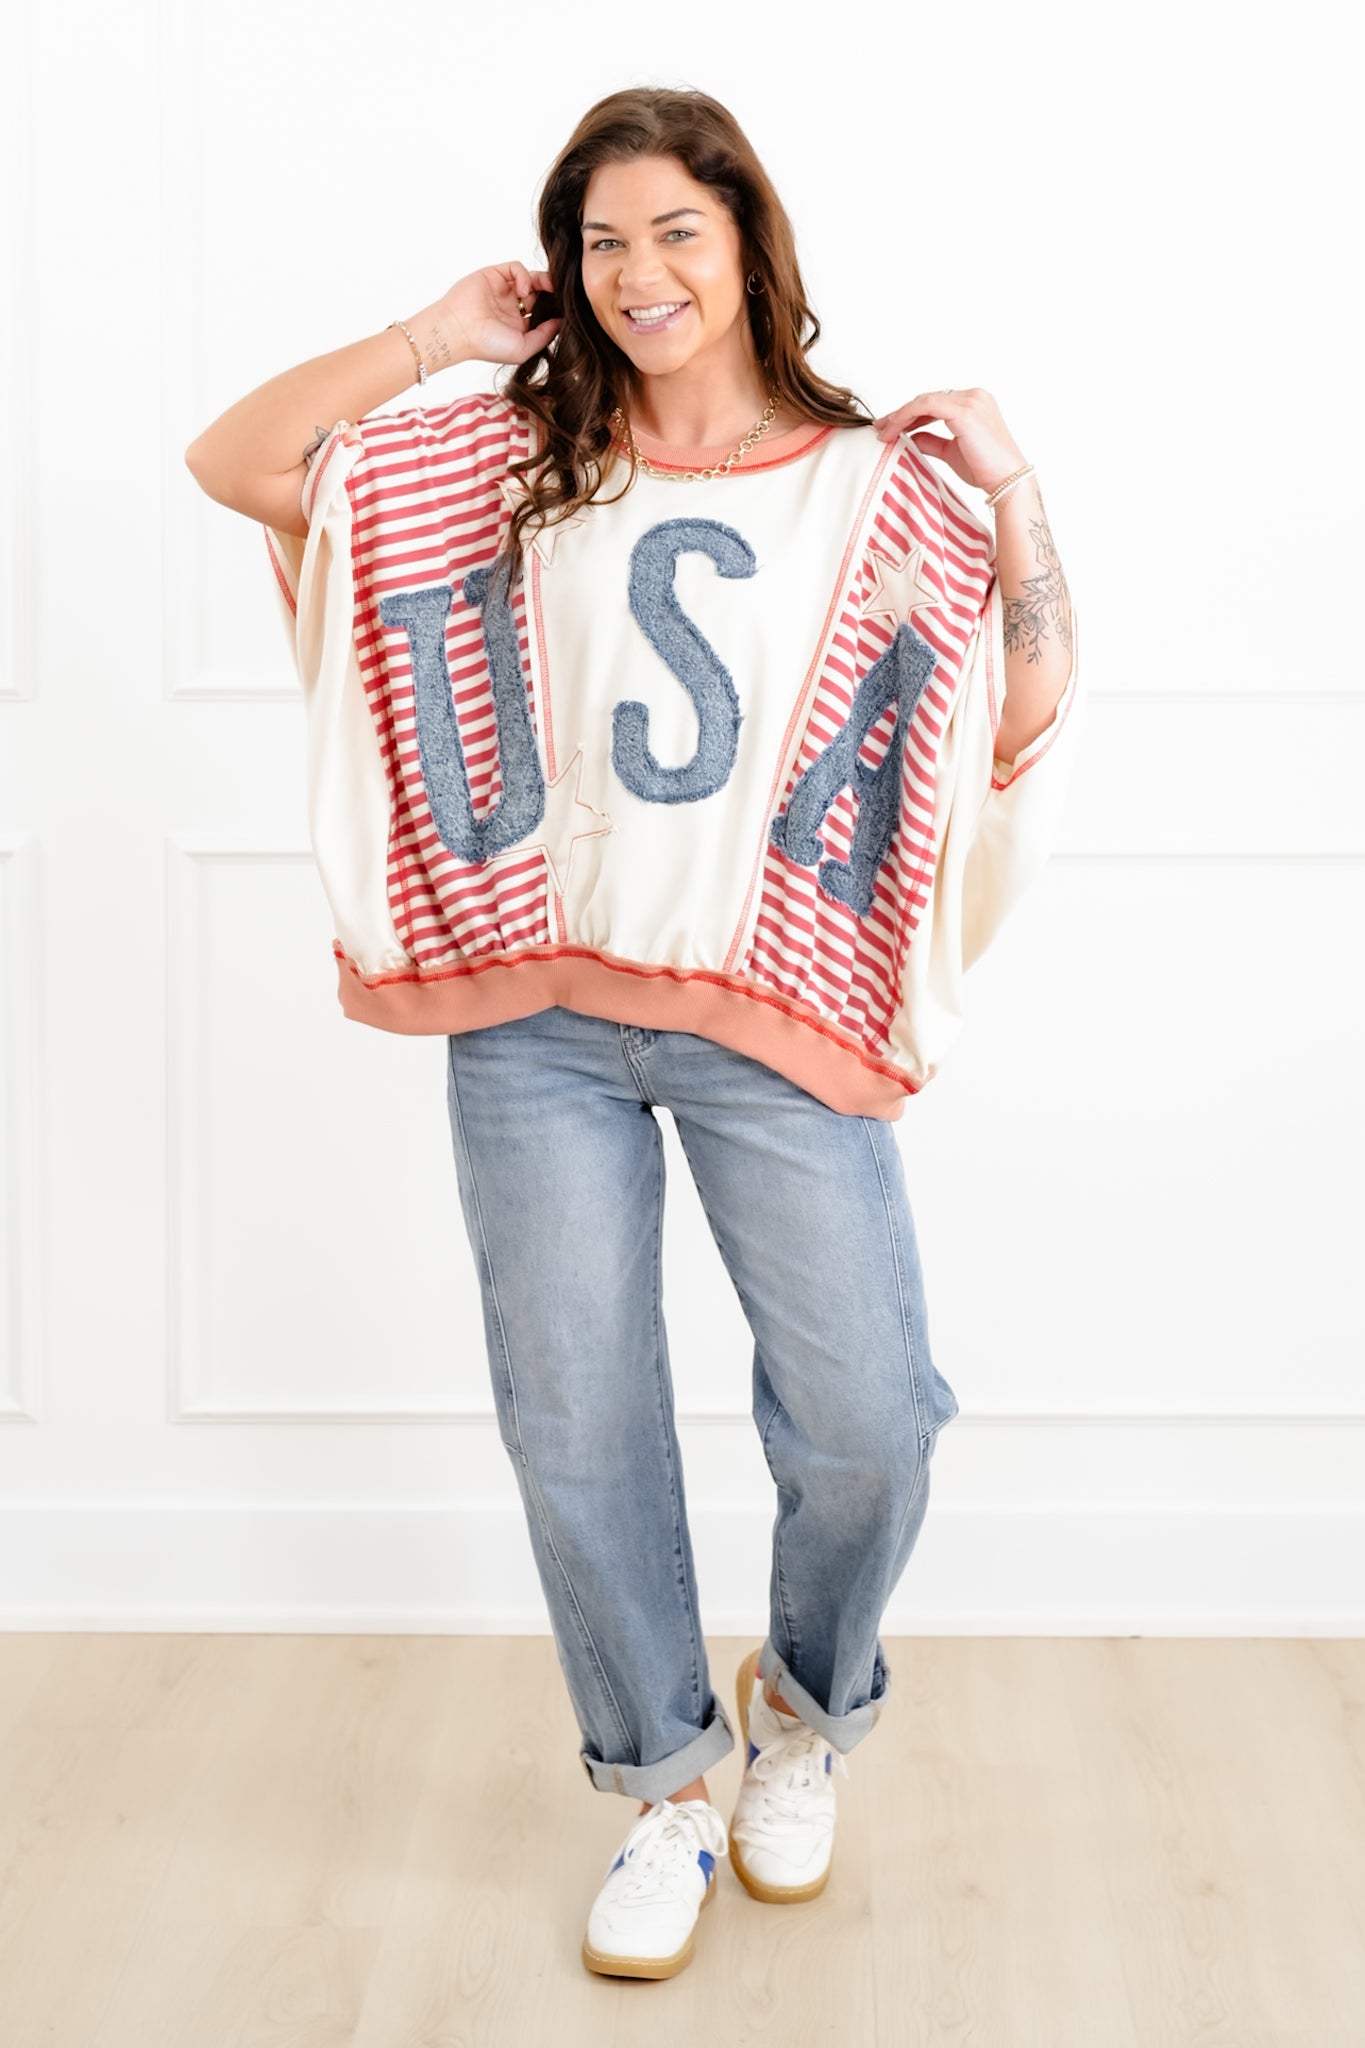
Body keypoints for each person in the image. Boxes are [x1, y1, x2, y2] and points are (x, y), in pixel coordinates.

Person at [186, 85, 1083, 1984]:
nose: (638, 272)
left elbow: (1023, 698)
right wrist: (435, 334)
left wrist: (1010, 487)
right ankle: (666, 1782)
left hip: (781, 1014)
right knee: (574, 1423)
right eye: (603, 241)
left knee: (869, 1418)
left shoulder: (871, 482)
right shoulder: (500, 456)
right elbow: (237, 459)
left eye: (677, 229)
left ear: (749, 242)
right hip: (533, 1021)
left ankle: (802, 1716)